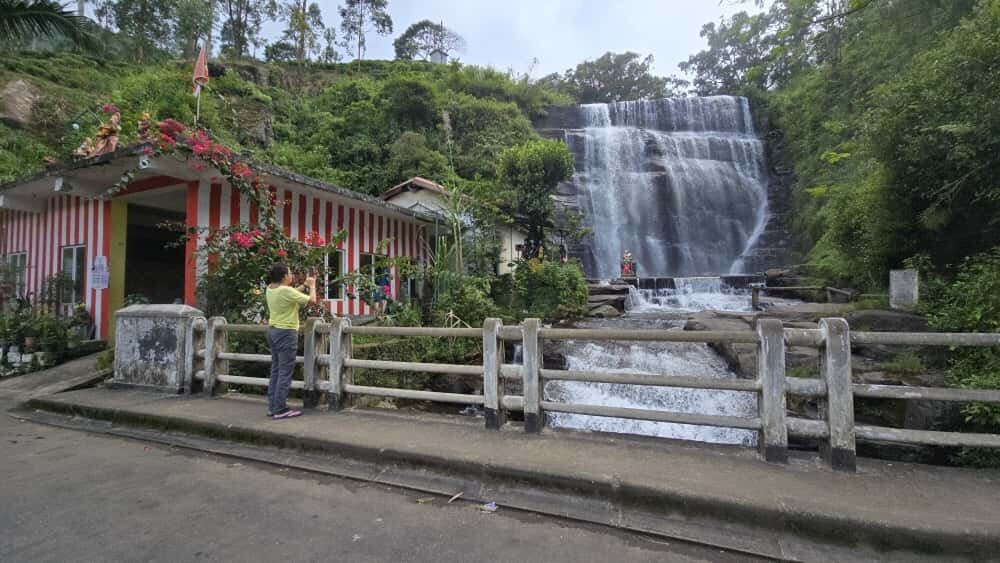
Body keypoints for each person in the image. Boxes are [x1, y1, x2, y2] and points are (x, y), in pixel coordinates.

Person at [265, 263, 316, 419]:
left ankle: (273, 406)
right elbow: (312, 301)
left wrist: (303, 285)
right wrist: (312, 286)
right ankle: (280, 409)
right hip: (286, 333)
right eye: (290, 273)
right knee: (285, 372)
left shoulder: (270, 288)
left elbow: (291, 294)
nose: (292, 275)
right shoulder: (285, 291)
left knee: (276, 370)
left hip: (273, 332)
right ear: (284, 276)